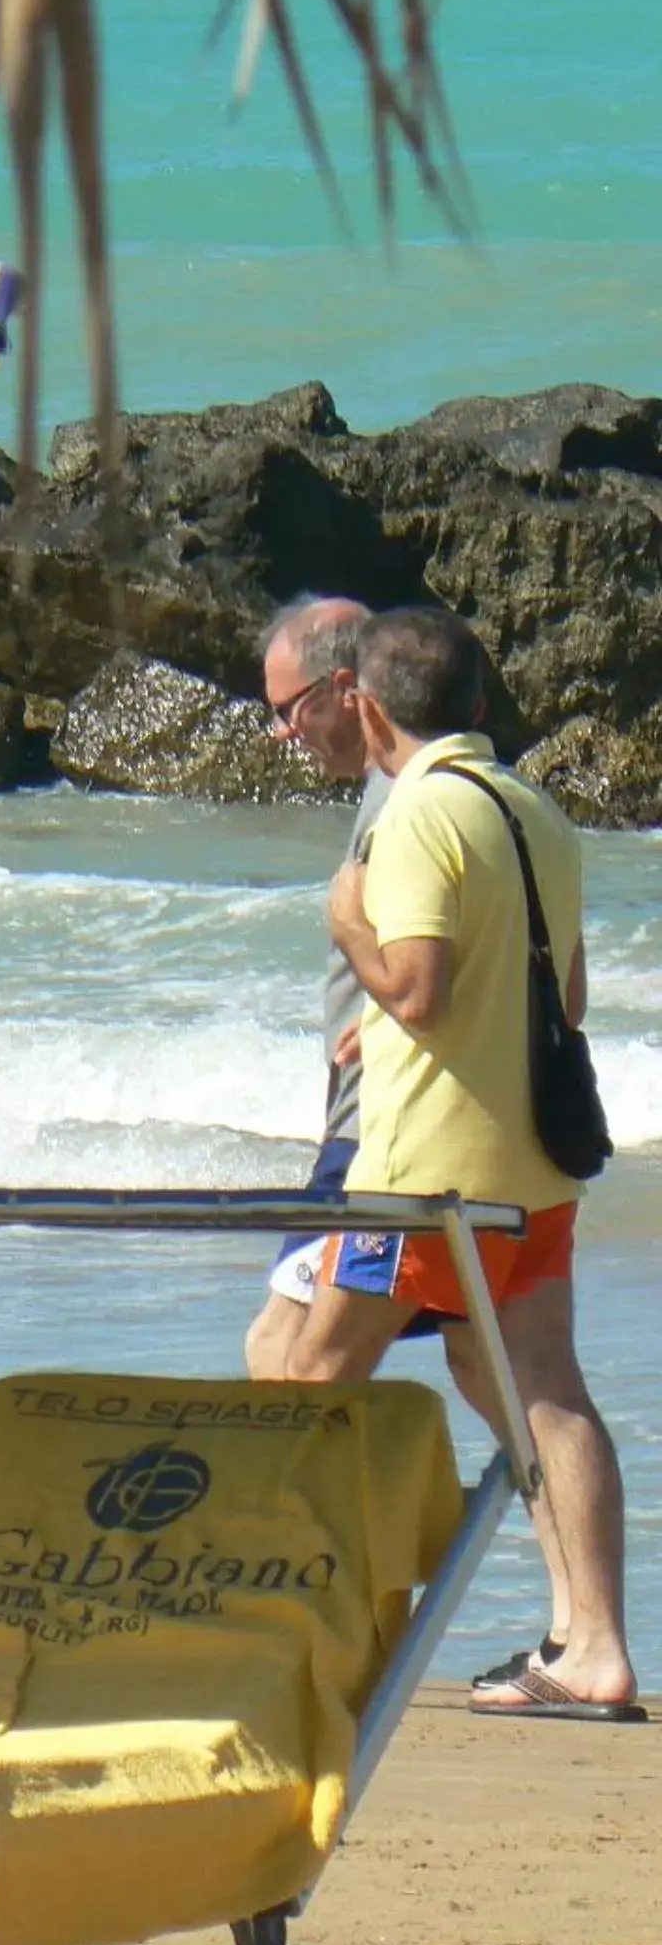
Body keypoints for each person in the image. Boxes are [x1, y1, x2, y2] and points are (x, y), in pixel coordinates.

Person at [277, 607, 639, 1722]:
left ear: (369, 708)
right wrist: (381, 1023)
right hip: (530, 1165)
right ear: (480, 706)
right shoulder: (538, 809)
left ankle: (269, 1634)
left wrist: (351, 932)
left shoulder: (419, 813)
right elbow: (560, 1000)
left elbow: (422, 985)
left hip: (423, 1176)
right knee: (546, 1390)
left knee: (298, 1385)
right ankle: (598, 1650)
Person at [244, 596, 388, 1379]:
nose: (283, 733)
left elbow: (426, 971)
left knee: (284, 1354)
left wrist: (393, 1020)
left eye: (290, 710)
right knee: (506, 1367)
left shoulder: (404, 798)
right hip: (401, 1128)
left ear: (341, 687)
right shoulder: (415, 791)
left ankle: (306, 1508)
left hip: (377, 1135)